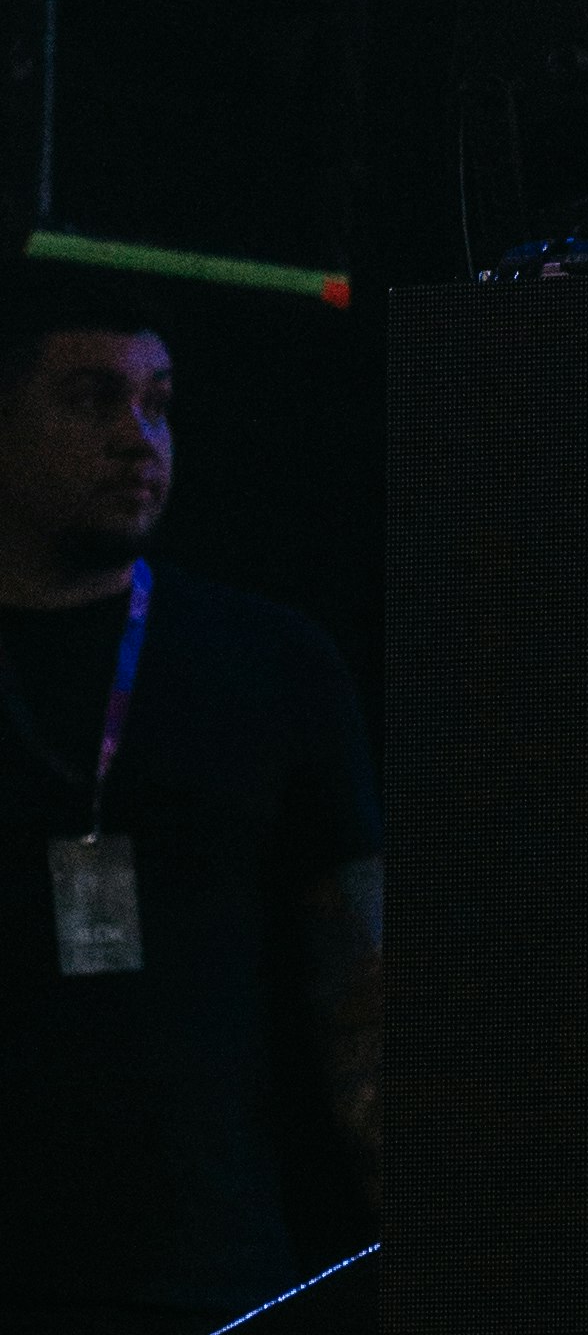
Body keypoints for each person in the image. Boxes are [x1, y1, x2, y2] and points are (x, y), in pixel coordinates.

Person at [0, 278, 381, 1333]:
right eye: (89, 399)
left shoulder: (272, 665)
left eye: (158, 404)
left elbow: (362, 983)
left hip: (216, 1272)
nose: (138, 439)